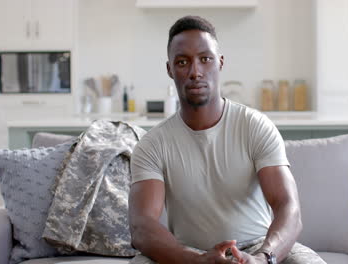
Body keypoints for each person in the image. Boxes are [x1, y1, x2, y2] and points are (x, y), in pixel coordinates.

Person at [129, 16, 326, 264]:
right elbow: (141, 226)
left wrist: (265, 258)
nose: (195, 71)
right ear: (169, 69)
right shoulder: (152, 144)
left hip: (258, 247)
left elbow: (288, 206)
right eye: (182, 62)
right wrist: (198, 260)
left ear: (220, 63)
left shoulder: (255, 126)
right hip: (187, 253)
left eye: (205, 59)